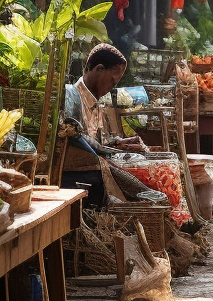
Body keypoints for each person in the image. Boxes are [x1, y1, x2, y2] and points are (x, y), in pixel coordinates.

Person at [61, 43, 148, 200]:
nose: (111, 87)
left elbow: (95, 140)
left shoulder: (97, 103)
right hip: (73, 174)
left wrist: (117, 143)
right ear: (99, 69)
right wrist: (105, 150)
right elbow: (74, 135)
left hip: (93, 168)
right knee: (132, 188)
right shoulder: (71, 94)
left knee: (141, 175)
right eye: (112, 81)